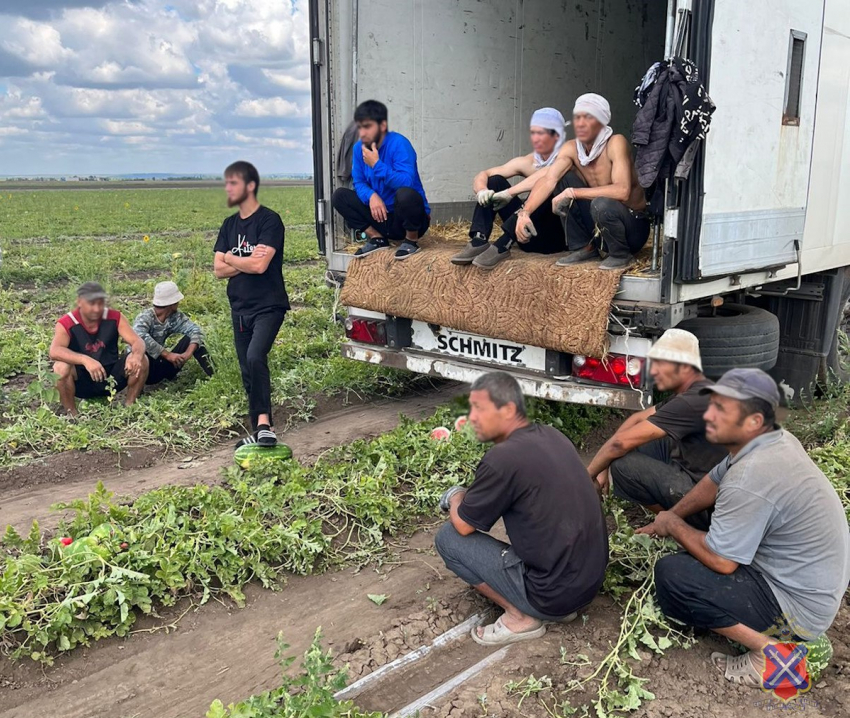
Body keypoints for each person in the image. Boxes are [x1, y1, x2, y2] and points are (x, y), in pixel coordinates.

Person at [638, 369, 850, 687]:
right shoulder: (770, 440)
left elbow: (723, 562)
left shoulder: (751, 476)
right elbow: (712, 481)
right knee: (695, 542)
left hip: (797, 609)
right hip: (807, 582)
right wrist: (669, 517)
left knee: (674, 577)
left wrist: (675, 526)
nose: (708, 416)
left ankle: (774, 654)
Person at [435, 372, 608, 646]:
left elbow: (464, 525)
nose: (473, 418)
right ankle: (557, 607)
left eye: (480, 409)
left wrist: (455, 495)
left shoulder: (501, 459)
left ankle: (521, 617)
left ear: (509, 410)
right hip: (587, 586)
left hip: (552, 595)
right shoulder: (552, 434)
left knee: (448, 539)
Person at [587, 329, 727, 529]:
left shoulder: (691, 402)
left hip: (711, 506)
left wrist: (589, 475)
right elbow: (637, 419)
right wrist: (603, 467)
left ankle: (674, 524)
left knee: (624, 466)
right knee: (642, 439)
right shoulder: (698, 391)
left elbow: (620, 443)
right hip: (706, 482)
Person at [517, 93, 650, 270]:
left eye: (588, 117)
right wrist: (525, 212)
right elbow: (549, 179)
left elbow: (622, 191)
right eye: (578, 117)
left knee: (601, 203)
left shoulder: (615, 143)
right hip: (599, 225)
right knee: (563, 179)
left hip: (632, 228)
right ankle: (585, 247)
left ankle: (620, 254)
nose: (581, 123)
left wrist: (573, 192)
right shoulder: (572, 148)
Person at [213, 161, 289, 447]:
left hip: (268, 306)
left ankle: (264, 424)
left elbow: (259, 266)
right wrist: (241, 261)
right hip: (239, 307)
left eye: (233, 183)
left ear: (250, 186)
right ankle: (259, 430)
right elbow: (217, 270)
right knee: (248, 369)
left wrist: (231, 257)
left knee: (256, 356)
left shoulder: (270, 221)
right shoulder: (229, 225)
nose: (227, 188)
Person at [451, 108, 568, 269]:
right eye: (534, 132)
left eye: (543, 133)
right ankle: (479, 239)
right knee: (495, 181)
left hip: (555, 238)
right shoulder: (528, 161)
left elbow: (547, 177)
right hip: (526, 234)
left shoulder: (569, 157)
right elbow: (484, 173)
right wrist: (482, 190)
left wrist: (510, 192)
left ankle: (503, 244)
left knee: (545, 191)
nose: (536, 138)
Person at [331, 100, 431, 260]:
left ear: (382, 126)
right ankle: (377, 238)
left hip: (406, 219)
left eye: (367, 126)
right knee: (339, 196)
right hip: (380, 217)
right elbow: (359, 182)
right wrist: (371, 196)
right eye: (360, 127)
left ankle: (411, 241)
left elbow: (407, 183)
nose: (362, 133)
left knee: (406, 194)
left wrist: (377, 165)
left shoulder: (400, 144)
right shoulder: (359, 148)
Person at [49, 281, 149, 415]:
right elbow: (54, 351)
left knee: (142, 359)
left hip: (112, 377)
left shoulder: (115, 317)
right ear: (80, 302)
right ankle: (71, 412)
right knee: (60, 367)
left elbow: (138, 341)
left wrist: (136, 356)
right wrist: (85, 359)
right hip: (82, 380)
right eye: (91, 304)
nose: (96, 309)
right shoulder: (67, 322)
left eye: (100, 303)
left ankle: (130, 406)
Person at [132, 281, 214, 385]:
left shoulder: (174, 317)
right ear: (172, 304)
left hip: (159, 366)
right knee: (141, 349)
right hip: (140, 369)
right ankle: (137, 390)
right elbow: (139, 337)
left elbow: (196, 330)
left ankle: (216, 376)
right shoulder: (145, 317)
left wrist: (188, 353)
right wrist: (167, 355)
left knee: (194, 340)